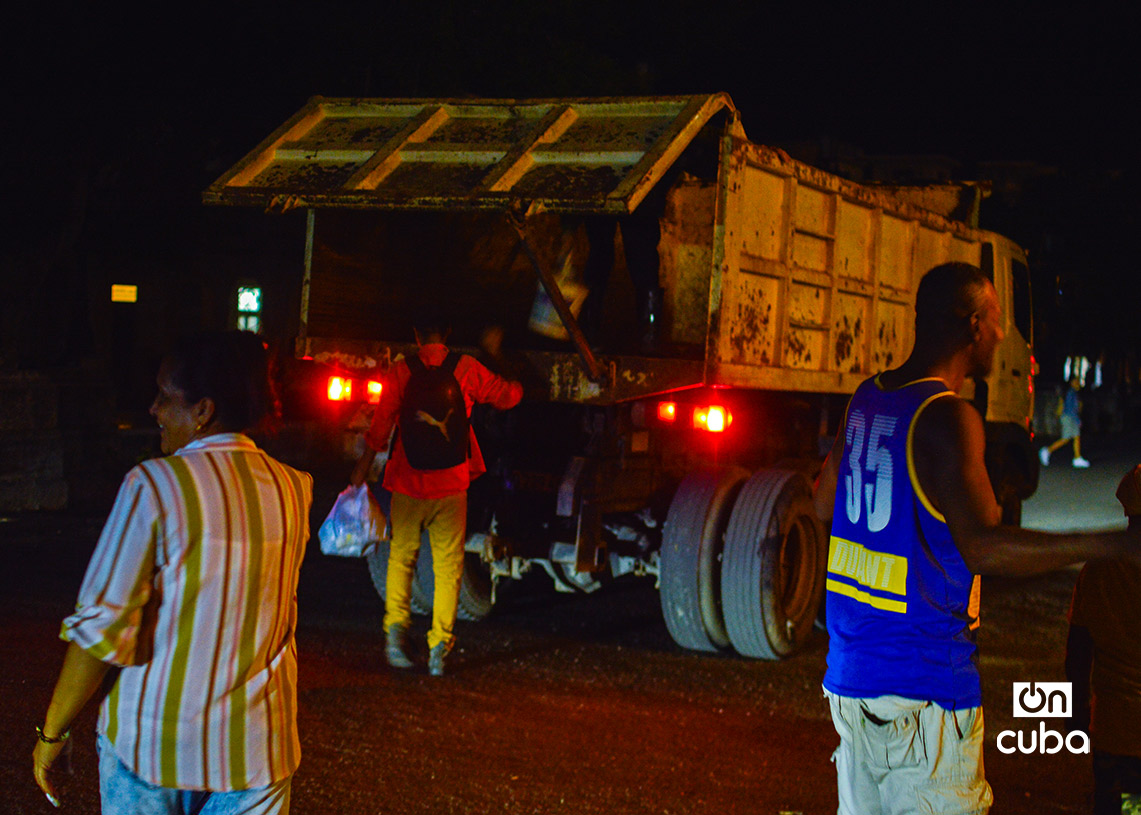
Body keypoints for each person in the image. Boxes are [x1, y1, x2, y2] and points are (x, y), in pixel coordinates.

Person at [813, 262, 1141, 815]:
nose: (1000, 334)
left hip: (850, 681)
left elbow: (823, 501)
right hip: (925, 696)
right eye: (995, 320)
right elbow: (985, 548)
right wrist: (1115, 545)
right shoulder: (948, 417)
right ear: (970, 327)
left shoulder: (866, 398)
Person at [32, 330, 313, 814]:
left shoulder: (154, 486)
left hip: (153, 750)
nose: (153, 410)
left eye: (165, 397)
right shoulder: (294, 488)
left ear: (203, 410)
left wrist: (51, 733)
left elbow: (102, 630)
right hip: (256, 753)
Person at [350, 312, 522, 676]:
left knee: (401, 558)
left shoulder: (401, 371)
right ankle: (439, 649)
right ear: (448, 333)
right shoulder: (466, 368)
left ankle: (396, 634)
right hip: (450, 487)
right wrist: (515, 377)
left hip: (408, 485)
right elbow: (508, 397)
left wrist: (362, 468)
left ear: (415, 334)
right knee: (447, 568)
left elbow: (380, 427)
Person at [1066, 465, 1141, 814]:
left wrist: (1076, 713)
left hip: (1115, 730)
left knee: (1125, 808)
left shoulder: (1099, 568)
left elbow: (1078, 651)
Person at [1041, 376, 1090, 467]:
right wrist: (1077, 420)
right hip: (1069, 417)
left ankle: (1077, 458)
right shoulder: (1071, 392)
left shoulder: (1073, 392)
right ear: (1071, 383)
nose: (1078, 383)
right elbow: (1070, 408)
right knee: (1065, 439)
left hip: (1070, 417)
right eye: (1076, 381)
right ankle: (1047, 451)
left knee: (1076, 437)